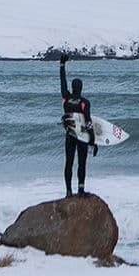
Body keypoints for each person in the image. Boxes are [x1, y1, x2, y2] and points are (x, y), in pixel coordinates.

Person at [59, 56, 98, 196]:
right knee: (82, 163)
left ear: (72, 87)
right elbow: (87, 121)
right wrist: (93, 140)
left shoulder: (66, 98)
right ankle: (80, 190)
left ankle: (68, 191)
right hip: (82, 136)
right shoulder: (84, 102)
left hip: (70, 134)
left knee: (68, 162)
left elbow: (62, 83)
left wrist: (62, 65)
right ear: (81, 88)